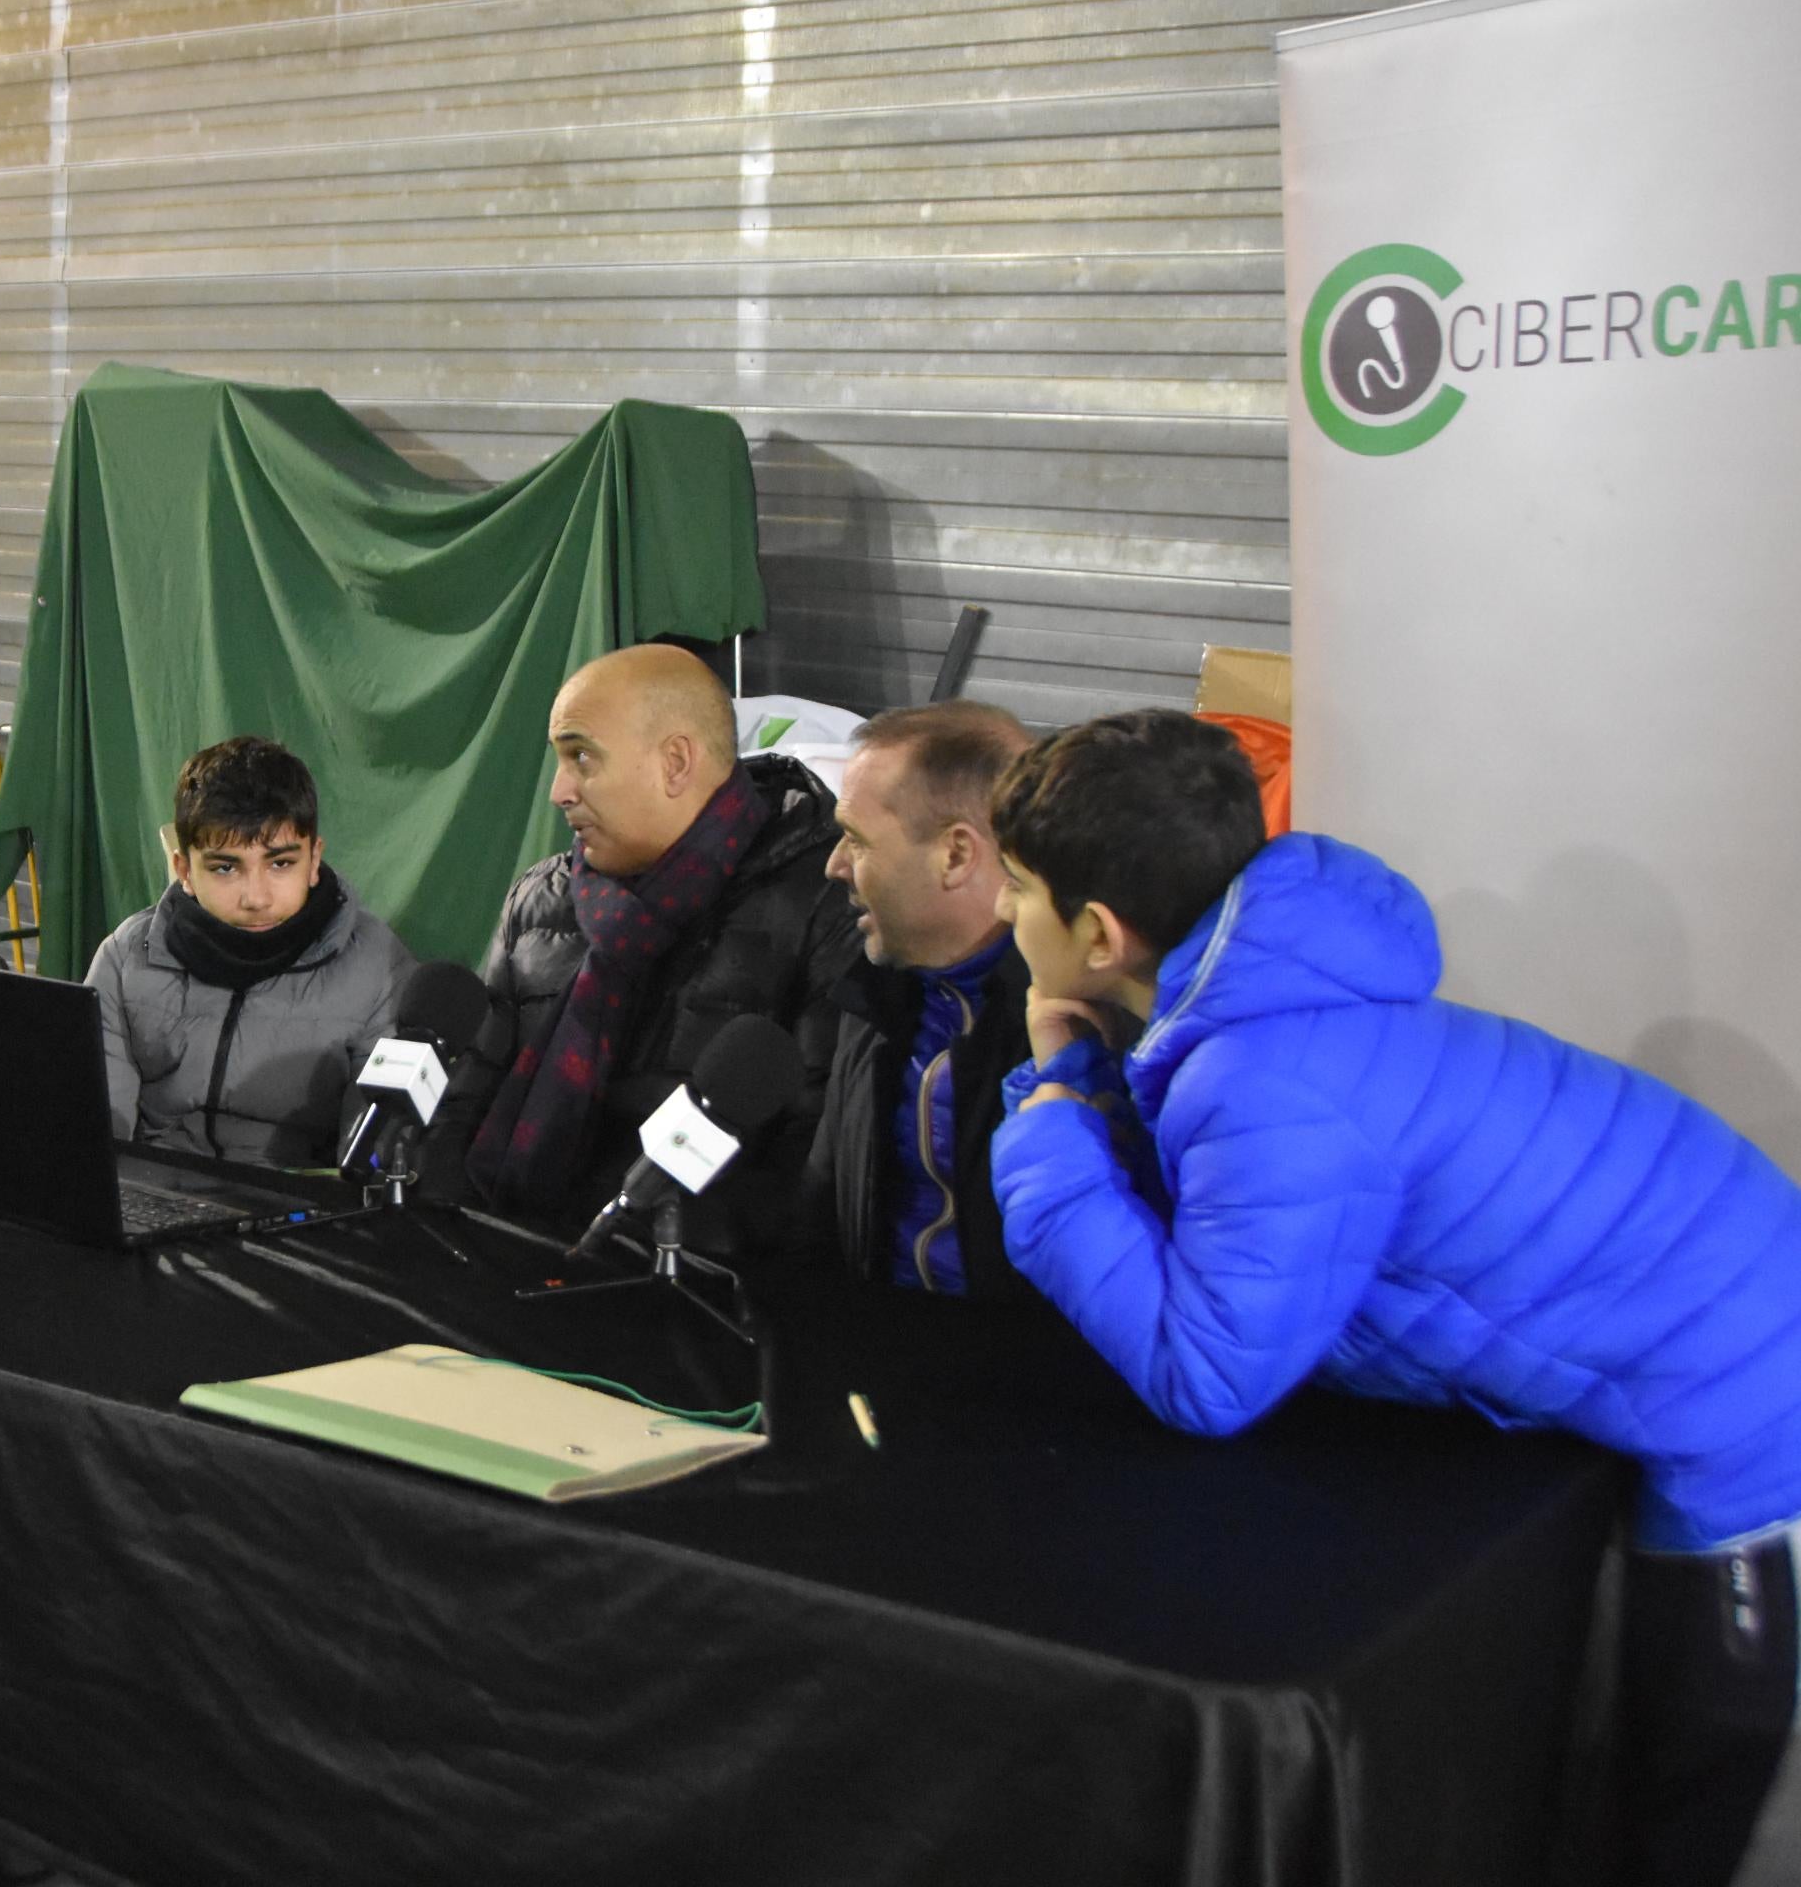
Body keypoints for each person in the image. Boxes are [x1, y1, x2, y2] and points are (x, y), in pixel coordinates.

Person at [985, 708, 1801, 1887]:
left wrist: (1050, 1132)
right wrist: (1080, 1068)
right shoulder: (1280, 999)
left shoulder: (1267, 1077)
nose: (1008, 917)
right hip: (1735, 1333)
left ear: (1101, 931)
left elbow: (1207, 1371)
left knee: (1687, 1818)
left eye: (1018, 888)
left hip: (1754, 1410)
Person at [431, 643, 862, 1244]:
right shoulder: (539, 901)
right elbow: (462, 1109)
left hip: (693, 1302)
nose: (559, 790)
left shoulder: (823, 905)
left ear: (676, 763)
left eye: (581, 757)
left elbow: (814, 1168)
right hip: (504, 1272)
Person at [83, 736, 412, 1165]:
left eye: (280, 864)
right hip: (154, 1196)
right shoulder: (126, 957)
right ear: (184, 870)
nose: (255, 897)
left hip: (302, 1210)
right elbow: (98, 1136)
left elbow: (371, 1162)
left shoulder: (378, 967)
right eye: (225, 868)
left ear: (314, 859)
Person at [801, 701, 1039, 1295]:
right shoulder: (872, 996)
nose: (834, 867)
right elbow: (823, 1216)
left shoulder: (1082, 1033)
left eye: (856, 841)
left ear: (956, 854)